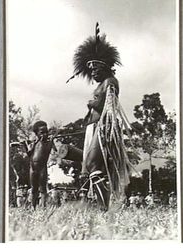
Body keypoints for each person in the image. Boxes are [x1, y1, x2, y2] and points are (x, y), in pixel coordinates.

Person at [67, 23, 140, 210]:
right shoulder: (104, 83)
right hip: (95, 127)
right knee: (92, 166)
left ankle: (104, 204)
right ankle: (103, 205)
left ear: (105, 67)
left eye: (95, 69)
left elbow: (105, 105)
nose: (92, 73)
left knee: (92, 163)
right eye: (90, 70)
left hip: (103, 126)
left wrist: (91, 104)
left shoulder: (110, 81)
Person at [10, 120, 56, 209]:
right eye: (42, 133)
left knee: (43, 189)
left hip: (42, 168)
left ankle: (43, 207)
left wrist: (52, 138)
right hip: (33, 168)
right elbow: (29, 155)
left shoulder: (48, 142)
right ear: (36, 134)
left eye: (46, 132)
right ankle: (33, 207)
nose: (45, 134)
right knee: (34, 189)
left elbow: (50, 150)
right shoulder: (34, 143)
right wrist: (24, 145)